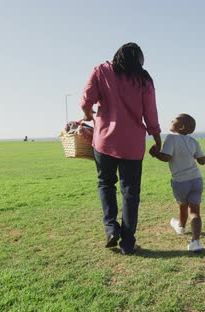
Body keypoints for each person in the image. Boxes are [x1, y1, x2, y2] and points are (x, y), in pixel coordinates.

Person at [80, 42, 161, 255]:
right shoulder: (144, 80)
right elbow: (150, 113)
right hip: (133, 145)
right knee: (130, 193)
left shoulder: (101, 71)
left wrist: (89, 116)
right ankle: (127, 242)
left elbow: (85, 103)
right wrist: (156, 136)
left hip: (104, 141)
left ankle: (110, 228)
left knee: (105, 183)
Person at [149, 114, 205, 252]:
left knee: (182, 206)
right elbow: (202, 161)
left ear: (181, 126)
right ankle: (196, 242)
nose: (171, 120)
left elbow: (167, 157)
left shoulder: (171, 137)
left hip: (180, 181)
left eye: (174, 120)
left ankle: (181, 227)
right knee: (195, 212)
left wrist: (155, 154)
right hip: (197, 180)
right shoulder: (193, 141)